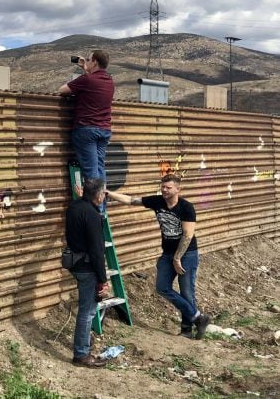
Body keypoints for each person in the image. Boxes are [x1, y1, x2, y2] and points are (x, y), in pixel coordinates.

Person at [106, 174, 211, 339]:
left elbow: (188, 235)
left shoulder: (186, 207)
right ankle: (199, 317)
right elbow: (131, 200)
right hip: (167, 253)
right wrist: (108, 193)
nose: (164, 190)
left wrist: (177, 258)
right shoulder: (157, 201)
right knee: (162, 287)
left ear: (178, 189)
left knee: (187, 293)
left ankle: (186, 330)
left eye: (168, 187)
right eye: (163, 186)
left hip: (187, 254)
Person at [65, 177, 111, 367]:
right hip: (87, 267)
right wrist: (103, 279)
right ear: (99, 196)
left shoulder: (74, 207)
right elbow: (96, 250)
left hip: (75, 264)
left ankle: (83, 341)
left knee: (86, 308)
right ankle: (81, 354)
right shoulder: (92, 215)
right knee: (88, 311)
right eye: (104, 193)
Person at [58, 50, 114, 190]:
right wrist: (85, 68)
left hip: (87, 130)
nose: (86, 61)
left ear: (95, 62)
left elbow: (62, 90)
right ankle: (101, 210)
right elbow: (93, 83)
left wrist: (85, 72)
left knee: (91, 173)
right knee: (99, 170)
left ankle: (94, 210)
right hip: (104, 130)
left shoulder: (87, 80)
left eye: (88, 59)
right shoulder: (109, 81)